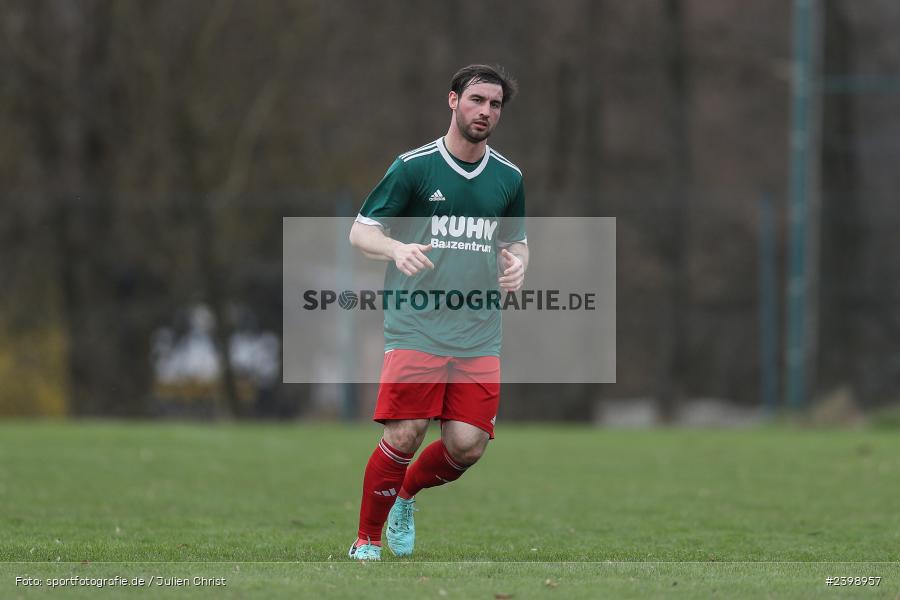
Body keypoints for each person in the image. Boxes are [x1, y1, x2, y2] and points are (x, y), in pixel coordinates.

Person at [347, 64, 528, 560]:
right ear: (453, 101)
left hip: (478, 331)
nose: (485, 111)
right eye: (476, 100)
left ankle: (405, 496)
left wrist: (518, 267)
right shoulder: (414, 167)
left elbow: (518, 244)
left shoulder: (508, 177)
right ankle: (365, 540)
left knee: (468, 446)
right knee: (405, 434)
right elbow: (361, 232)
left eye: (494, 105)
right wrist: (394, 250)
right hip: (416, 324)